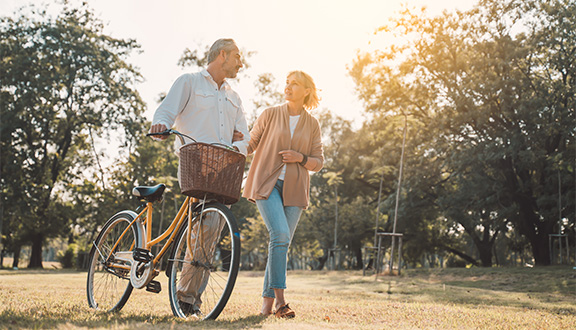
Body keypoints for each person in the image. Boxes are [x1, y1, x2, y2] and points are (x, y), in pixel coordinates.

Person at [149, 38, 250, 317]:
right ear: (222, 55)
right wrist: (161, 124)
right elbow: (167, 110)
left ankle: (188, 298)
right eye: (237, 57)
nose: (241, 63)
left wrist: (236, 144)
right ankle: (186, 298)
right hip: (195, 165)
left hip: (224, 170)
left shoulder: (234, 97)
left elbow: (246, 136)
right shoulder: (190, 82)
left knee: (211, 230)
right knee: (203, 229)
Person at [243, 70, 324, 318]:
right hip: (267, 184)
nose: (288, 87)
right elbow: (251, 142)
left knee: (280, 243)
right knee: (279, 235)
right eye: (287, 83)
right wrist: (231, 144)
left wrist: (301, 158)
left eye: (295, 84)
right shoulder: (270, 114)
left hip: (295, 190)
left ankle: (266, 307)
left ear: (307, 90)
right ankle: (281, 302)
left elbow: (318, 162)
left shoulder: (312, 124)